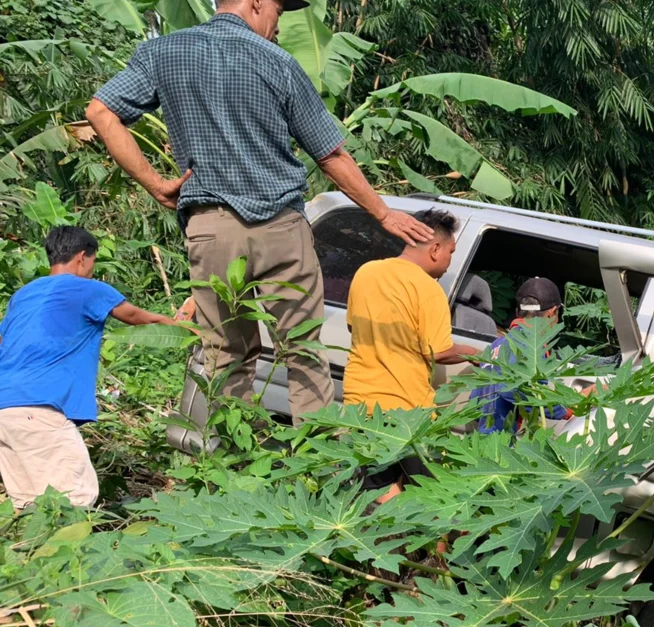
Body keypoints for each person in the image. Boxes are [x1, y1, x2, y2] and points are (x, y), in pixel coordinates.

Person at [85, 0, 435, 422]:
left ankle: (230, 464)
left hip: (211, 229)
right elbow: (331, 155)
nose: (279, 25)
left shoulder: (163, 52)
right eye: (278, 12)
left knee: (225, 353)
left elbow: (100, 112)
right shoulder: (279, 63)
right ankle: (318, 463)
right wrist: (382, 213)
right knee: (303, 350)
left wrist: (156, 184)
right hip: (280, 230)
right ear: (255, 3)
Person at [0, 227, 174, 508]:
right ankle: (71, 551)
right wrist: (180, 325)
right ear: (82, 257)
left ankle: (34, 552)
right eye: (93, 263)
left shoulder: (24, 294)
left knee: (30, 505)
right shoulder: (87, 288)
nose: (92, 270)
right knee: (75, 497)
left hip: (4, 407)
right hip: (38, 407)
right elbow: (137, 318)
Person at [343, 208, 477, 500]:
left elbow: (355, 327)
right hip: (407, 413)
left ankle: (397, 541)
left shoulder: (366, 272)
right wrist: (475, 353)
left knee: (378, 488)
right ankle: (428, 546)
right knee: (433, 499)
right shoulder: (428, 289)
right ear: (435, 249)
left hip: (361, 407)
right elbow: (440, 352)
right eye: (451, 253)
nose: (448, 262)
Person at [471, 277, 594, 435]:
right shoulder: (532, 346)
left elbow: (476, 398)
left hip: (485, 437)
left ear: (517, 312)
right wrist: (569, 406)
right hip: (503, 443)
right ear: (552, 313)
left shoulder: (498, 344)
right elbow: (513, 389)